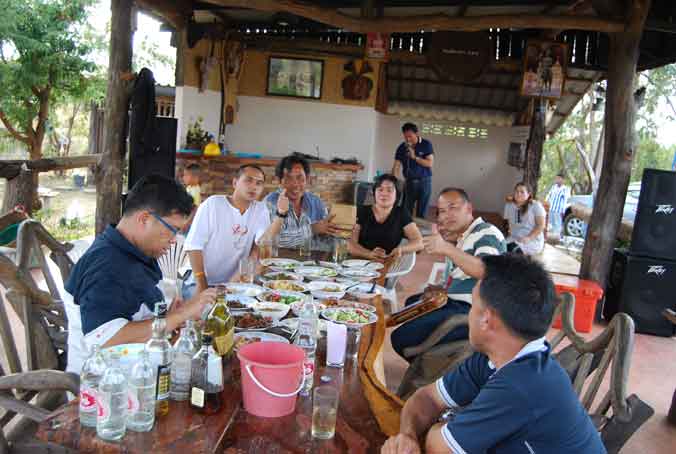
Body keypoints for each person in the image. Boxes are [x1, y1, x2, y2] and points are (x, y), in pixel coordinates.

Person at [382, 254, 606, 454]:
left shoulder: (521, 384)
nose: (470, 314)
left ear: (486, 320)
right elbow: (427, 397)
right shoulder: (497, 356)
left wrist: (441, 426)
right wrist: (407, 436)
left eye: (473, 305)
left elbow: (439, 448)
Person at [64, 175, 217, 374]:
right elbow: (106, 341)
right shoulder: (107, 265)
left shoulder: (134, 250)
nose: (174, 240)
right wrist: (180, 315)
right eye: (173, 230)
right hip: (105, 383)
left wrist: (169, 317)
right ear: (144, 219)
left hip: (141, 366)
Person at [390, 188, 505, 359]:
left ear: (469, 208)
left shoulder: (486, 232)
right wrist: (442, 289)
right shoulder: (463, 239)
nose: (446, 215)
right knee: (412, 302)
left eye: (453, 207)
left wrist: (446, 248)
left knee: (400, 338)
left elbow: (486, 271)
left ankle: (433, 367)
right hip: (454, 302)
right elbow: (465, 277)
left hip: (473, 312)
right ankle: (430, 361)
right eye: (442, 210)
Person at [185, 164, 285, 293]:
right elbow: (194, 246)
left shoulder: (260, 209)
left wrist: (281, 214)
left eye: (259, 183)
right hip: (199, 281)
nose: (254, 186)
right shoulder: (213, 204)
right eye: (248, 180)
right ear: (235, 183)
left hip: (234, 284)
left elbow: (261, 244)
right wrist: (202, 286)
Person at [264, 155, 340, 251]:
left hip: (312, 259)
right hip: (280, 259)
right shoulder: (270, 202)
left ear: (307, 179)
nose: (295, 184)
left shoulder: (316, 202)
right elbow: (274, 240)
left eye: (300, 178)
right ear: (279, 181)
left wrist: (343, 231)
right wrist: (312, 229)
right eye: (289, 178)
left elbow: (325, 237)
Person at [347, 174, 423, 261]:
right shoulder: (361, 211)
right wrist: (369, 254)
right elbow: (350, 244)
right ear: (374, 193)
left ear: (397, 194)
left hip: (387, 262)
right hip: (359, 261)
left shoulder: (401, 214)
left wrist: (400, 249)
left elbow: (419, 242)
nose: (384, 194)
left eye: (389, 190)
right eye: (380, 189)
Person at [392, 122, 434, 218]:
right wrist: (394, 182)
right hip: (409, 183)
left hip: (424, 182)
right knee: (406, 210)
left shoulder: (426, 144)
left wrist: (415, 157)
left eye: (410, 136)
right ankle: (407, 227)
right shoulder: (402, 147)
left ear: (417, 133)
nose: (408, 139)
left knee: (421, 212)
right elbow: (396, 166)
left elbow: (430, 163)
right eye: (405, 137)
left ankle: (419, 227)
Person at [504, 182, 546, 255]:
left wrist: (529, 238)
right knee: (499, 248)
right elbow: (508, 224)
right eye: (516, 191)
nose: (519, 194)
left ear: (528, 194)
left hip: (532, 240)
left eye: (522, 192)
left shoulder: (535, 205)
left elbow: (541, 226)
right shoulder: (509, 205)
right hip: (514, 238)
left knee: (512, 250)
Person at [546, 173, 570, 238]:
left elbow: (566, 200)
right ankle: (549, 238)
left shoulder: (566, 189)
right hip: (550, 209)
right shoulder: (553, 187)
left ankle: (556, 239)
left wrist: (563, 211)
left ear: (563, 180)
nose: (557, 180)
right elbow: (548, 196)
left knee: (557, 225)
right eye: (556, 178)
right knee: (549, 225)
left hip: (558, 210)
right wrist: (546, 204)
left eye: (559, 178)